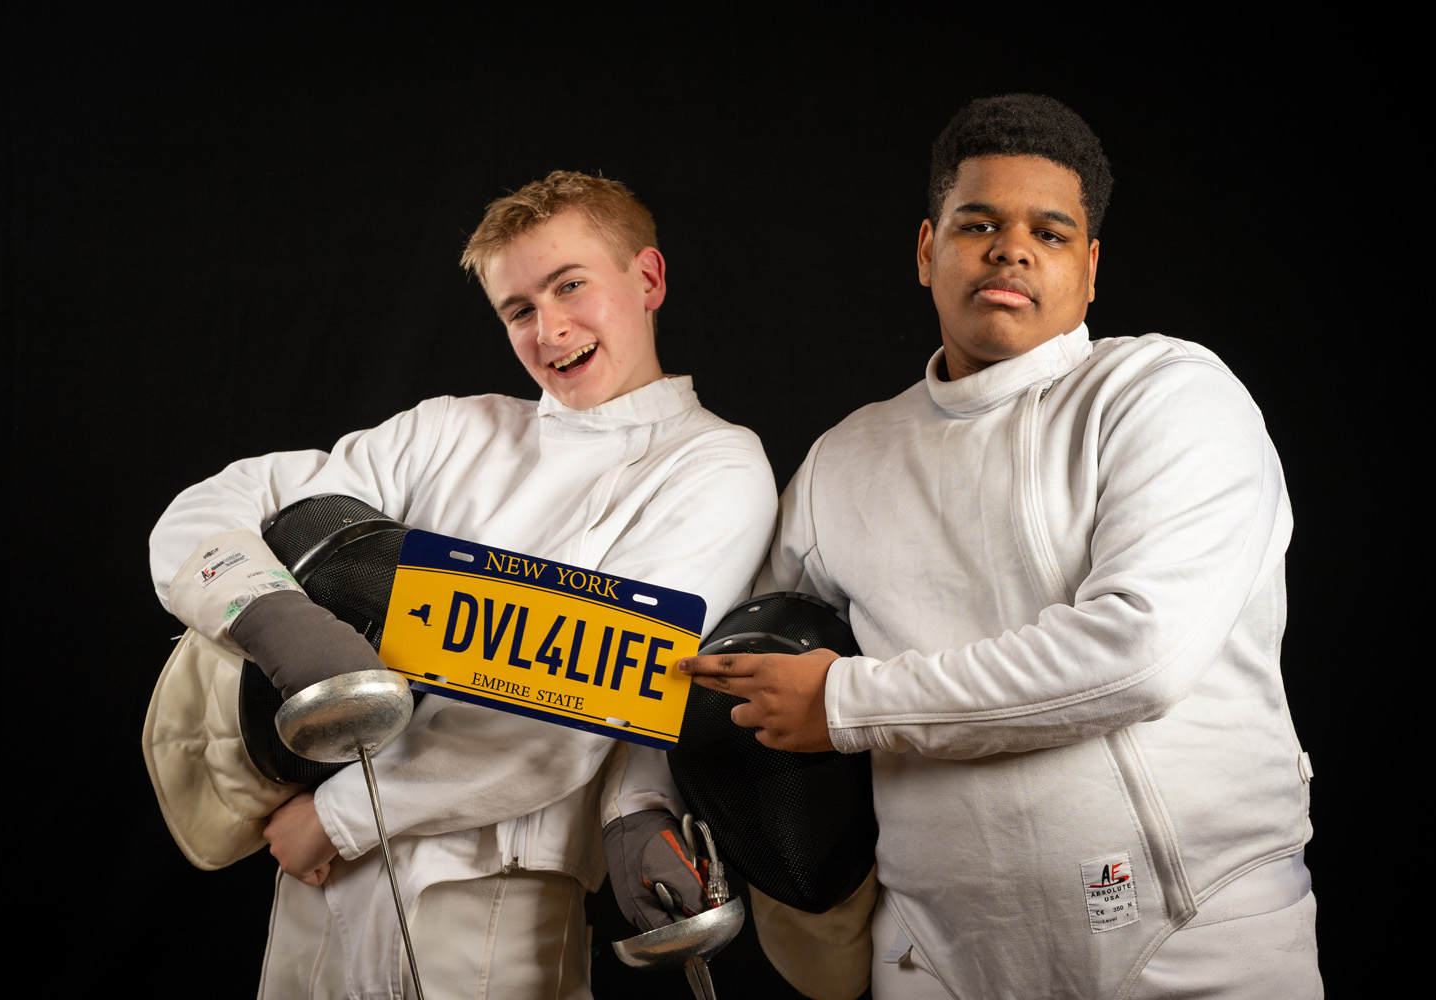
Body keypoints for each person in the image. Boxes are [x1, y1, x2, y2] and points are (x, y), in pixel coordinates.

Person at [680, 95, 1320, 999]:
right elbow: (721, 660)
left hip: (1194, 942)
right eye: (977, 224)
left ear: (1089, 270)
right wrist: (638, 804)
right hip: (935, 957)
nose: (1010, 249)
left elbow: (1138, 654)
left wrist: (847, 703)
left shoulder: (1168, 394)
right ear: (926, 251)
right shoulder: (845, 459)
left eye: (1048, 233)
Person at [149, 170, 777, 999]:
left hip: (489, 897)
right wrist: (273, 617)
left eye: (570, 285)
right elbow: (211, 507)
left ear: (649, 278)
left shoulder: (715, 466)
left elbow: (577, 716)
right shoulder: (451, 429)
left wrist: (337, 818)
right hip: (324, 889)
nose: (550, 329)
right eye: (518, 309)